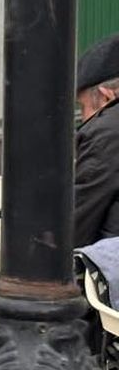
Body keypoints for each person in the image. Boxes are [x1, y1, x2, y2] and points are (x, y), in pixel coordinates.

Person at [76, 32, 119, 248]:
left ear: (106, 97)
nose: (83, 118)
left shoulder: (107, 131)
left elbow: (76, 226)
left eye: (83, 107)